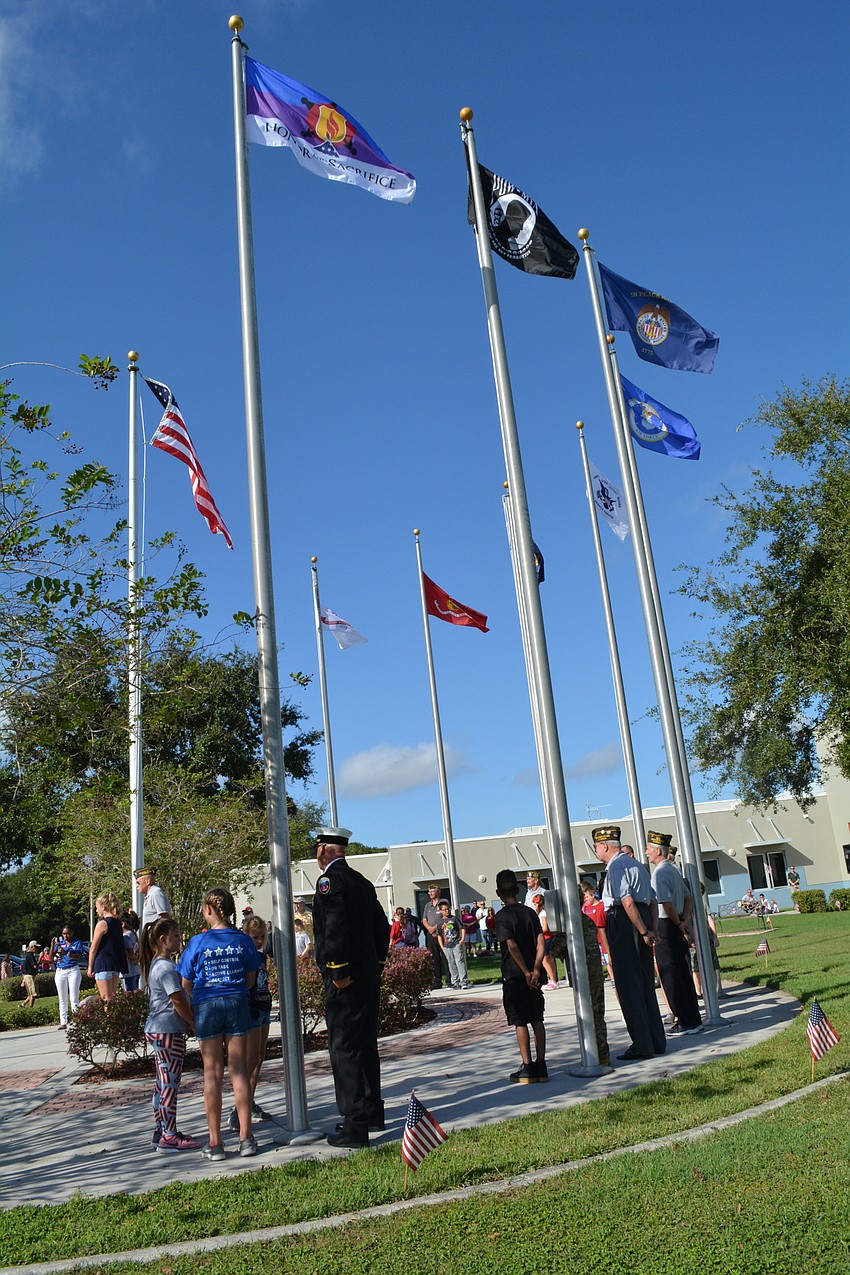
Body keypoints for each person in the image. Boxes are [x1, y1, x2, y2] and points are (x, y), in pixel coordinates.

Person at [312, 826, 390, 1149]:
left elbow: (334, 928)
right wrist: (378, 964)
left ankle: (354, 1125)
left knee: (344, 1048)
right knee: (366, 1043)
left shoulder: (329, 883)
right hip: (368, 977)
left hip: (346, 980)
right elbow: (382, 927)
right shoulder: (361, 881)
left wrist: (338, 971)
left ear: (323, 851)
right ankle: (372, 1111)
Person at [178, 886, 262, 1161]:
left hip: (206, 1006)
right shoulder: (243, 940)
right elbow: (251, 979)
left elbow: (185, 983)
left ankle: (215, 1143)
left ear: (209, 910)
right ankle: (246, 1137)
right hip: (237, 1003)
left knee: (211, 1073)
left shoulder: (198, 943)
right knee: (239, 1069)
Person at [593, 825, 665, 1062]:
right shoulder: (637, 865)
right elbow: (652, 901)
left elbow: (626, 902)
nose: (596, 850)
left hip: (625, 923)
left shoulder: (615, 867)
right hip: (643, 918)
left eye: (596, 846)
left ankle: (642, 1044)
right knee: (645, 983)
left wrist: (643, 931)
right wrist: (651, 929)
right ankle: (656, 1040)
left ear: (604, 846)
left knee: (628, 986)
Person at [140, 917, 199, 1153]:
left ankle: (162, 1128)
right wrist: (191, 1021)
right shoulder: (165, 967)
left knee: (162, 1082)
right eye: (175, 936)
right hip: (167, 1031)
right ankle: (169, 1135)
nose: (179, 939)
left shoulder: (158, 964)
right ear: (163, 940)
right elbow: (177, 999)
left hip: (161, 1030)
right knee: (169, 1083)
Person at [645, 831, 703, 1037]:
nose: (646, 853)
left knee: (670, 975)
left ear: (658, 851)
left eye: (649, 849)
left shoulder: (660, 873)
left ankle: (685, 1021)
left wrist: (678, 923)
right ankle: (692, 1017)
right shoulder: (674, 869)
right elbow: (688, 898)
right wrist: (685, 921)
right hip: (677, 923)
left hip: (666, 925)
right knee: (682, 972)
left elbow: (665, 903)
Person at [494, 869, 547, 1083]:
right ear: (518, 889)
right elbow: (541, 941)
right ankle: (541, 1064)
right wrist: (536, 968)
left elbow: (511, 945)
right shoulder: (529, 913)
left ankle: (527, 1066)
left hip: (515, 975)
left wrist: (525, 971)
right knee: (537, 1018)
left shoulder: (502, 916)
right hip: (534, 973)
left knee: (520, 1021)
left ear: (499, 893)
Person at [228, 913, 274, 1130]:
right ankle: (238, 1109)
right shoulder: (244, 956)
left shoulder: (263, 956)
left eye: (262, 936)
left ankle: (250, 1100)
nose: (258, 940)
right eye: (254, 936)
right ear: (245, 935)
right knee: (251, 1060)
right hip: (252, 1009)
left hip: (264, 1006)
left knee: (260, 1058)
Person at [87, 892, 128, 1003]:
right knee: (112, 998)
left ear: (103, 906)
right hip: (115, 964)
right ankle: (114, 1019)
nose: (96, 910)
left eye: (97, 907)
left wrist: (90, 966)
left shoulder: (102, 924)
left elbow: (93, 948)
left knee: (106, 999)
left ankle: (109, 1019)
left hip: (103, 963)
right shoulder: (118, 923)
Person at [50, 925, 86, 1029]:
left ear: (72, 933)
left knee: (74, 997)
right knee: (62, 997)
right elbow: (51, 958)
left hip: (72, 970)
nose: (66, 936)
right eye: (64, 934)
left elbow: (77, 956)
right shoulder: (60, 944)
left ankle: (76, 1020)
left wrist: (66, 952)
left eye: (68, 933)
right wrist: (52, 946)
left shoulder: (77, 943)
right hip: (61, 970)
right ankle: (63, 1021)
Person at [437, 899, 471, 989]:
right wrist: (442, 946)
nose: (446, 911)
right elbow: (439, 935)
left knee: (459, 961)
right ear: (440, 911)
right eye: (444, 909)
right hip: (446, 946)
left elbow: (462, 928)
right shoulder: (440, 922)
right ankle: (455, 982)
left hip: (456, 943)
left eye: (448, 909)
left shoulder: (454, 919)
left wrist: (462, 940)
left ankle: (463, 981)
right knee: (451, 963)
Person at [421, 885, 447, 989]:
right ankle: (437, 981)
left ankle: (450, 980)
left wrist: (435, 928)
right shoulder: (428, 905)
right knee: (434, 958)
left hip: (442, 934)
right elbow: (424, 919)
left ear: (438, 892)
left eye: (432, 891)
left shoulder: (443, 902)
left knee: (445, 956)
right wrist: (429, 929)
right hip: (431, 935)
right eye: (429, 892)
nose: (430, 893)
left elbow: (444, 917)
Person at [531, 894, 558, 990]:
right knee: (550, 960)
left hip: (546, 938)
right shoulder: (546, 912)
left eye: (535, 904)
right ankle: (553, 979)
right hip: (549, 937)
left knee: (545, 960)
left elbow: (545, 927)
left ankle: (553, 980)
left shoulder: (542, 913)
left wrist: (537, 933)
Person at [135, 867, 171, 931]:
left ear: (147, 881)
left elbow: (165, 917)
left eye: (138, 883)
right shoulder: (150, 895)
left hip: (156, 938)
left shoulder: (156, 893)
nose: (136, 886)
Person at [121, 911, 141, 992]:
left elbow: (129, 951)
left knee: (128, 995)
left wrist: (133, 957)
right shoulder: (133, 934)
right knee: (135, 993)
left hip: (128, 972)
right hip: (136, 970)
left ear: (123, 924)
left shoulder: (125, 937)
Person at [21, 942, 39, 1008]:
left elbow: (22, 968)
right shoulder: (30, 955)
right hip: (30, 976)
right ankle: (30, 1009)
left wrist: (23, 980)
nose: (36, 949)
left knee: (32, 993)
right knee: (33, 994)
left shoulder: (24, 955)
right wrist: (40, 958)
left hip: (26, 976)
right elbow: (35, 966)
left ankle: (22, 1004)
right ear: (31, 947)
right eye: (35, 947)